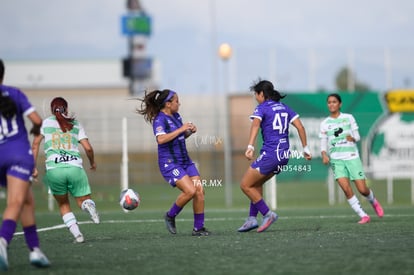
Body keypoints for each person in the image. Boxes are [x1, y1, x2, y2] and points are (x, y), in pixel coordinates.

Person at [238, 79, 312, 233]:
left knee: (245, 185)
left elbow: (255, 125)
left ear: (262, 94)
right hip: (284, 155)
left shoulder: (262, 107)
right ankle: (252, 219)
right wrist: (305, 148)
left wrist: (250, 146)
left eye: (256, 94)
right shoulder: (285, 107)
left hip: (271, 153)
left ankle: (267, 214)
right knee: (256, 184)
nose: (255, 98)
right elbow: (300, 126)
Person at [137, 89, 210, 236]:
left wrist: (188, 132)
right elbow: (161, 139)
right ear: (168, 104)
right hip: (170, 163)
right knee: (190, 191)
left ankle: (198, 229)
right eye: (177, 101)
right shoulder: (159, 119)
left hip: (185, 161)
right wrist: (182, 129)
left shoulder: (176, 116)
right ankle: (170, 215)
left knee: (199, 191)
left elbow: (179, 137)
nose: (179, 103)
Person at [0, 59, 50, 270]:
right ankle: (2, 242)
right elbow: (37, 120)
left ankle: (35, 250)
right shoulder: (14, 93)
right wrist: (36, 131)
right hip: (17, 154)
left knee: (27, 201)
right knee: (16, 201)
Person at [31, 97, 100, 243]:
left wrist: (33, 167)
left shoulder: (45, 123)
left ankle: (78, 235)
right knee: (83, 200)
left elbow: (35, 145)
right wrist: (92, 162)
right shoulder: (75, 124)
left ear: (51, 110)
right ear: (66, 109)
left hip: (54, 170)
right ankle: (88, 205)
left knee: (63, 205)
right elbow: (88, 148)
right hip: (75, 168)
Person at [319, 93, 384, 224]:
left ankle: (373, 201)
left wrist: (353, 138)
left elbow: (358, 136)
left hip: (352, 157)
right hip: (336, 160)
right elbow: (323, 142)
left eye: (334, 102)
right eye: (329, 102)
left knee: (362, 189)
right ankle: (363, 215)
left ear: (340, 104)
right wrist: (324, 154)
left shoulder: (348, 118)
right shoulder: (325, 123)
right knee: (346, 189)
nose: (331, 104)